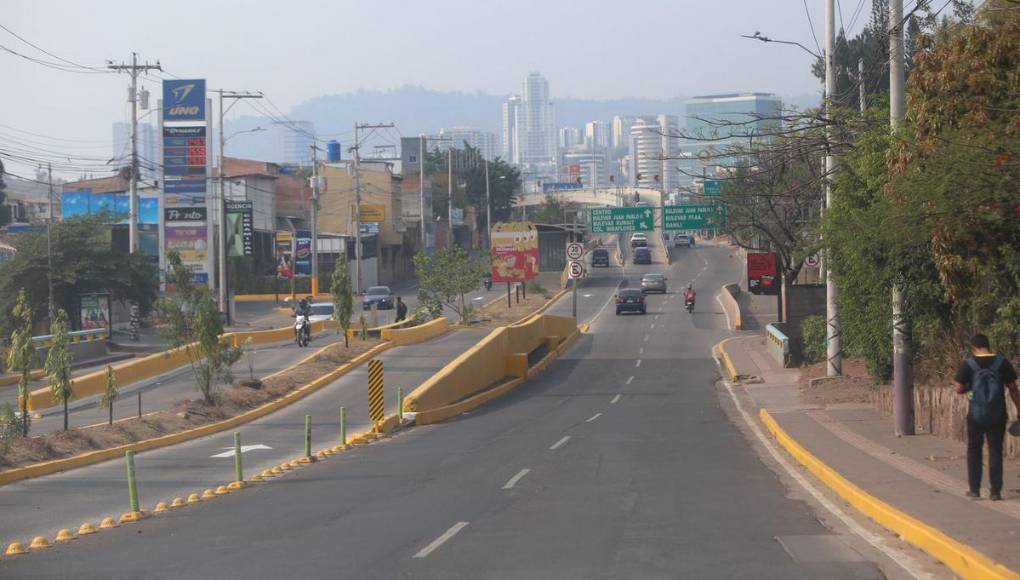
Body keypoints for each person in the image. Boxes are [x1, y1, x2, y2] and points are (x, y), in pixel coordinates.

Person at [954, 334, 1020, 500]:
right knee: (996, 450)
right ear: (988, 346)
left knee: (974, 450)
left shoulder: (969, 364)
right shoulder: (1002, 363)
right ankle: (995, 491)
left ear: (974, 347)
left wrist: (970, 388)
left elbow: (958, 388)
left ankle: (974, 489)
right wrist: (1019, 408)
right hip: (997, 414)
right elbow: (1013, 387)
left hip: (976, 415)